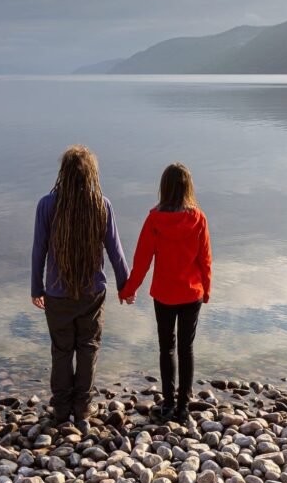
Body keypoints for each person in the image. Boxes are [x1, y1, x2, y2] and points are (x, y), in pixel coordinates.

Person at [31, 145, 131, 428]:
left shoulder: (47, 205)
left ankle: (61, 409)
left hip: (56, 292)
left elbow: (39, 250)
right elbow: (116, 251)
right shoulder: (102, 204)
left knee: (61, 349)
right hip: (92, 293)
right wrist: (125, 285)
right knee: (88, 348)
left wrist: (36, 287)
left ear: (63, 172)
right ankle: (83, 408)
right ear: (91, 173)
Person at [119, 163, 212, 422]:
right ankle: (183, 406)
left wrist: (128, 290)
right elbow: (205, 260)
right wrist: (207, 289)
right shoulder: (198, 218)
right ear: (188, 188)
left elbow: (142, 261)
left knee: (166, 348)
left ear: (164, 188)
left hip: (164, 294)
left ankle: (169, 402)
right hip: (191, 293)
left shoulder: (154, 219)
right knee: (186, 348)